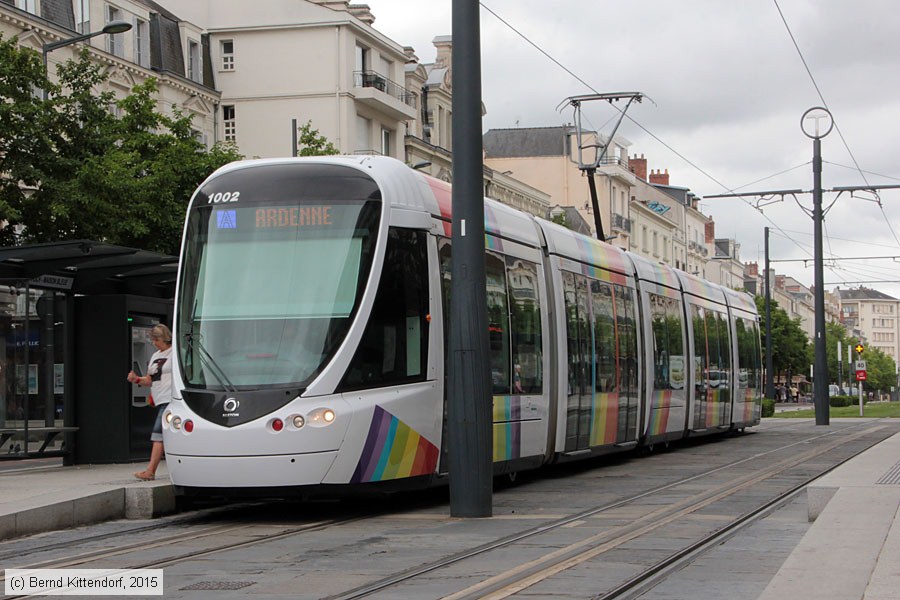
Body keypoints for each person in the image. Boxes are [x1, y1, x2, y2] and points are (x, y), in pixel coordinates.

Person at [126, 324, 173, 481]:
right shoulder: (155, 356)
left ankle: (150, 470)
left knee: (158, 434)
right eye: (153, 340)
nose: (154, 343)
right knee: (163, 435)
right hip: (160, 399)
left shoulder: (175, 353)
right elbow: (150, 379)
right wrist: (137, 379)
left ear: (163, 338)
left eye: (156, 340)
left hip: (170, 398)